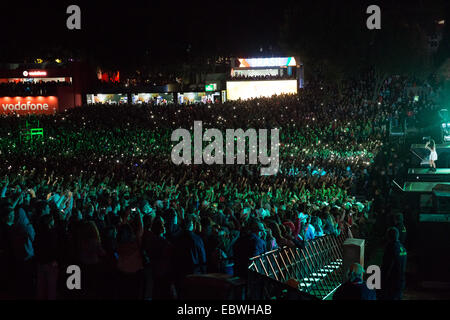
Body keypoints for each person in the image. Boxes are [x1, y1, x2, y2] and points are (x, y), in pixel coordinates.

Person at [381, 227, 407, 300]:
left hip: (392, 283)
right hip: (401, 280)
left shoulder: (391, 247)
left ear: (388, 236)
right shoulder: (402, 247)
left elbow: (386, 266)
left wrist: (382, 281)